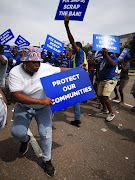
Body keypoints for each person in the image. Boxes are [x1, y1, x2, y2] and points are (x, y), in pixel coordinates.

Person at [9, 46, 86, 177]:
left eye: (39, 61)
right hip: (24, 106)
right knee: (17, 133)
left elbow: (61, 70)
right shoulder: (15, 72)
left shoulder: (45, 67)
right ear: (25, 63)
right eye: (34, 62)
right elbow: (16, 95)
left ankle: (47, 160)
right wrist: (40, 101)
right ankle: (25, 140)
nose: (38, 65)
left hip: (43, 109)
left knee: (46, 134)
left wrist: (78, 70)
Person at [64, 15, 88, 126]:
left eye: (73, 47)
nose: (72, 48)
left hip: (78, 76)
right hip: (78, 75)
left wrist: (66, 26)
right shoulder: (78, 55)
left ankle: (77, 118)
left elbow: (71, 40)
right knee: (75, 97)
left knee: (75, 98)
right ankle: (77, 117)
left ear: (77, 47)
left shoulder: (78, 51)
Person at [97, 48, 118, 122]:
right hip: (102, 80)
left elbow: (113, 64)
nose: (102, 51)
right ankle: (104, 109)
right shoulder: (103, 59)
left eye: (104, 51)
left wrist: (106, 54)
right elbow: (98, 66)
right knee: (99, 95)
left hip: (110, 79)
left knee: (105, 96)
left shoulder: (113, 57)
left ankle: (111, 113)